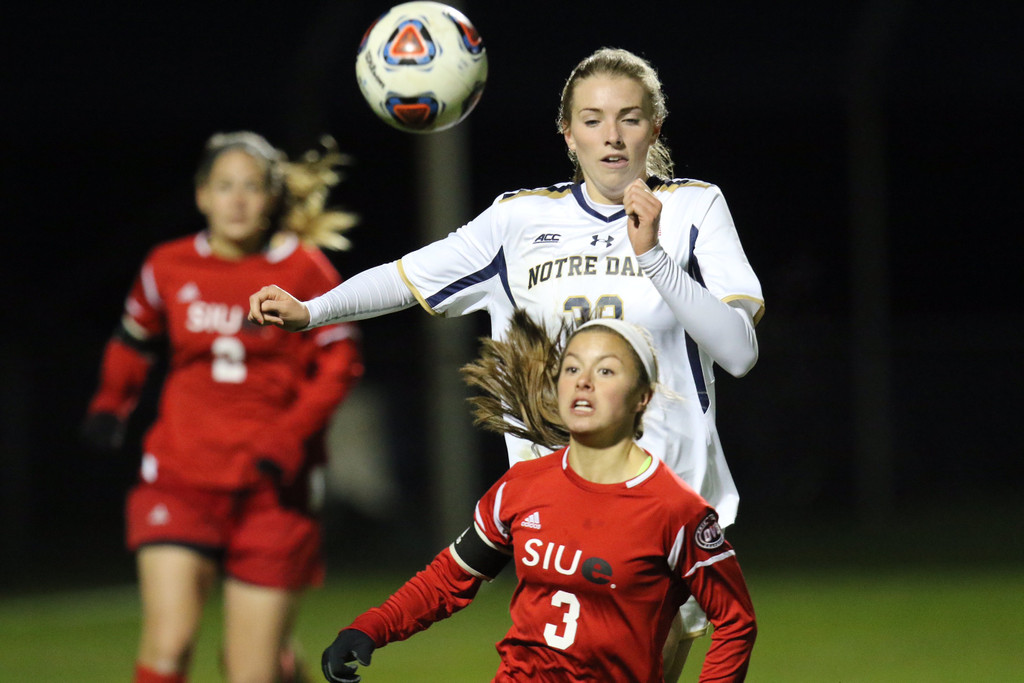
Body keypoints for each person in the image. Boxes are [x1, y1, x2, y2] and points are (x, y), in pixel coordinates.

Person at [249, 47, 763, 679]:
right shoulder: (519, 220)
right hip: (551, 515)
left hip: (659, 522)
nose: (611, 135)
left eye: (629, 118)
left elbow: (738, 351)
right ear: (567, 132)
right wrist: (312, 310)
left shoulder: (693, 209)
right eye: (593, 119)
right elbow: (408, 275)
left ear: (654, 128)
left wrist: (653, 257)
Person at [320, 312, 757, 682]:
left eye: (606, 371)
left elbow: (736, 622)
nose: (583, 382)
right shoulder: (522, 485)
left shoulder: (675, 510)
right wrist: (372, 627)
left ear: (642, 397)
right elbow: (449, 578)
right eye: (572, 369)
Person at [82, 131, 363, 683]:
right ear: (202, 195)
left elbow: (340, 366)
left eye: (251, 187)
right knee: (167, 646)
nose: (237, 200)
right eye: (224, 186)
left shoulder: (305, 271)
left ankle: (280, 666)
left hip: (273, 491)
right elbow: (133, 337)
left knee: (250, 670)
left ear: (272, 198)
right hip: (181, 477)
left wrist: (289, 437)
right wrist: (111, 402)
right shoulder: (167, 265)